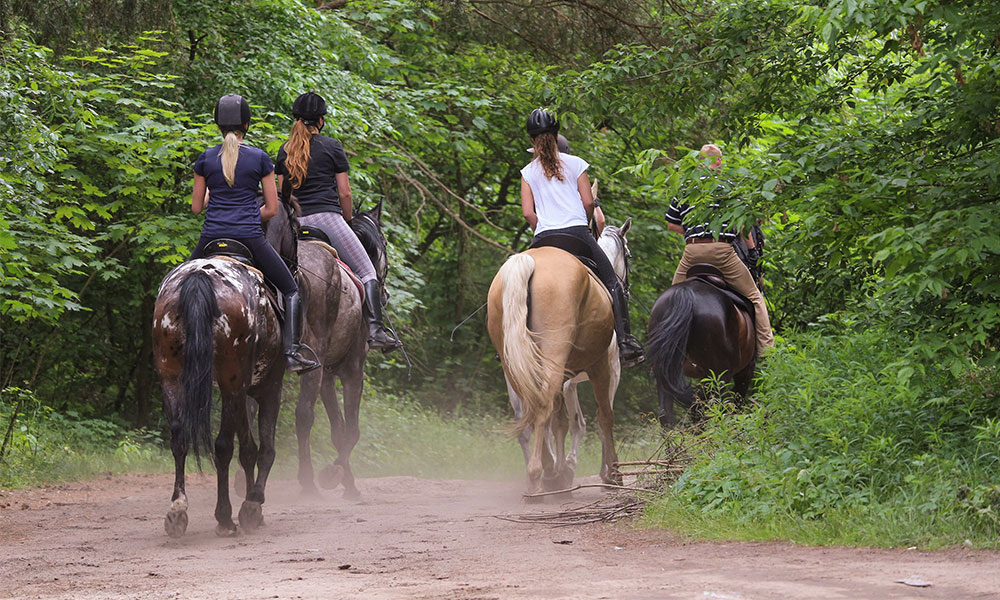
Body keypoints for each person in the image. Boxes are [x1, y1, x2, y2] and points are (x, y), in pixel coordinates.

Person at [189, 94, 320, 373]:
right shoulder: (259, 158)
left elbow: (197, 208)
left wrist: (215, 195)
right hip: (249, 238)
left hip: (210, 237)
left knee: (179, 285)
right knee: (291, 289)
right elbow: (272, 209)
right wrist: (246, 217)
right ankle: (292, 353)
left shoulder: (205, 159)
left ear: (218, 126)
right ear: (247, 126)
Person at [274, 92, 400, 352]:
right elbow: (345, 193)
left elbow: (283, 195)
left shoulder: (285, 150)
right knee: (367, 271)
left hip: (295, 224)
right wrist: (348, 220)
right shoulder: (332, 146)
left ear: (297, 119)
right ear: (321, 120)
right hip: (327, 218)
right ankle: (376, 331)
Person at [520, 108, 644, 367]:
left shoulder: (527, 172)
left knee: (520, 282)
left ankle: (508, 343)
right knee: (612, 282)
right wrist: (583, 223)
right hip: (577, 234)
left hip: (544, 237)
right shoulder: (576, 163)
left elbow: (528, 213)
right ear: (556, 135)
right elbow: (588, 202)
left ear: (532, 139)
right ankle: (625, 342)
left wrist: (541, 230)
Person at [665, 143, 774, 350]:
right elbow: (743, 227)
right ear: (718, 161)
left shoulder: (686, 188)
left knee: (672, 298)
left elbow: (671, 224)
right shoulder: (729, 186)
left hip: (692, 253)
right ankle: (767, 352)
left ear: (699, 161)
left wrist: (692, 233)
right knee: (755, 297)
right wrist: (752, 252)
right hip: (722, 252)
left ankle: (667, 350)